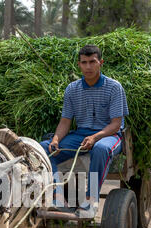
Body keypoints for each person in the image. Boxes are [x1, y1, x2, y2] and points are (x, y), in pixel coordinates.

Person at [40, 45, 129, 218]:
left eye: (92, 62)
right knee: (43, 148)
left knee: (101, 149)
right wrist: (56, 140)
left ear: (100, 63)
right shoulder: (72, 89)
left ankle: (90, 200)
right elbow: (65, 121)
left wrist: (95, 137)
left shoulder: (114, 87)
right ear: (79, 65)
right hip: (80, 134)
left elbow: (116, 124)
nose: (88, 67)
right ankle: (57, 195)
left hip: (109, 135)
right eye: (84, 62)